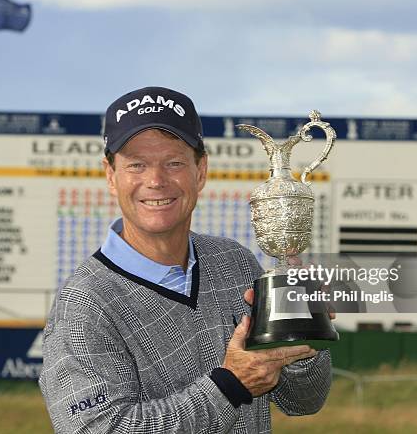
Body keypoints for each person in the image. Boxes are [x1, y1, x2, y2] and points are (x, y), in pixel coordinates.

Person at [39, 86, 332, 433]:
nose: (156, 181)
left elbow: (303, 402)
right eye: (137, 164)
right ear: (110, 175)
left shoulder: (235, 263)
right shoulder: (86, 303)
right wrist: (229, 386)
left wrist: (303, 338)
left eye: (174, 162)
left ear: (201, 170)